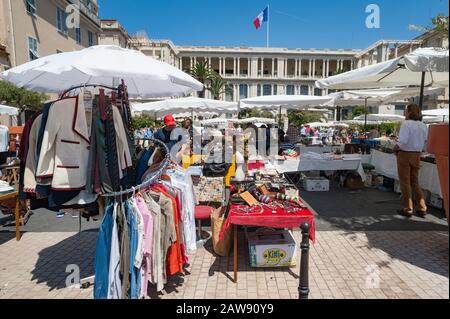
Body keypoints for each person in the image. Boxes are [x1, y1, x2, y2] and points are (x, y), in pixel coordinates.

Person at [393, 104, 428, 218]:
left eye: (405, 111)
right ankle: (422, 207)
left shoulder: (406, 124)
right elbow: (426, 142)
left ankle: (408, 208)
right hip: (417, 155)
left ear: (409, 112)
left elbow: (403, 140)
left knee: (405, 182)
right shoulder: (423, 125)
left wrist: (395, 148)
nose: (404, 113)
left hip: (405, 154)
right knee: (415, 182)